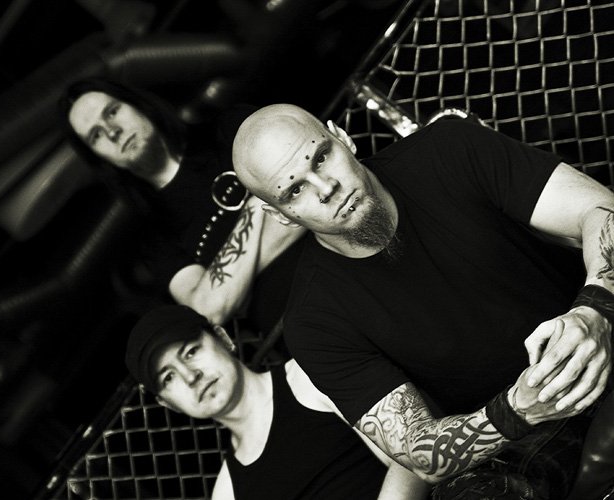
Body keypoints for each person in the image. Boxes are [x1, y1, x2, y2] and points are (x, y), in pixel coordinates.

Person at [231, 103, 614, 498]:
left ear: (342, 138)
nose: (325, 188)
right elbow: (419, 451)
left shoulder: (447, 151)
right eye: (295, 190)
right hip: (522, 433)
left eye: (322, 157)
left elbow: (599, 210)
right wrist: (518, 409)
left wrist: (595, 310)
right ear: (280, 215)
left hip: (601, 329)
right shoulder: (313, 322)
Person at [61, 79, 306, 335]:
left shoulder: (230, 129)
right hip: (300, 334)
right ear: (99, 158)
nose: (112, 132)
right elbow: (209, 310)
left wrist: (234, 286)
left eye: (112, 112)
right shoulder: (154, 240)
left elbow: (312, 184)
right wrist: (256, 208)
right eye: (96, 135)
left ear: (138, 104)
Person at [124, 303, 431, 500]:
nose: (191, 376)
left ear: (223, 338)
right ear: (169, 404)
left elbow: (409, 455)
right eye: (169, 377)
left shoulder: (310, 376)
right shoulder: (227, 493)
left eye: (191, 352)